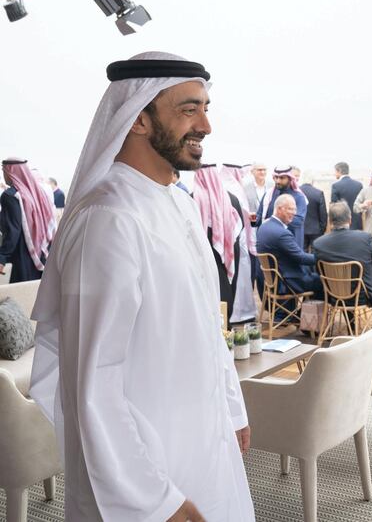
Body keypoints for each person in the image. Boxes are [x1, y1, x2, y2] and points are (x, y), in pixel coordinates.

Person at [27, 52, 255, 521]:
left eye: (206, 108)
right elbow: (93, 384)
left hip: (204, 448)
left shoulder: (179, 204)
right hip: (143, 481)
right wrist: (155, 501)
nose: (206, 126)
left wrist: (232, 410)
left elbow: (205, 327)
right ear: (138, 119)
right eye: (189, 109)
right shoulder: (108, 219)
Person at [313, 202, 372, 319]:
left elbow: (319, 271)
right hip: (363, 294)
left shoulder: (319, 243)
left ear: (330, 221)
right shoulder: (364, 238)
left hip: (334, 295)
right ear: (350, 219)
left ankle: (351, 324)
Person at [194, 164, 247, 323]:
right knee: (225, 295)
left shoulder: (191, 199)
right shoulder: (232, 199)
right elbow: (241, 226)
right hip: (229, 252)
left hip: (203, 255)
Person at [0, 158, 56, 283]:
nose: (3, 175)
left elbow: (13, 230)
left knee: (18, 297)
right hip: (41, 252)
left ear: (11, 172)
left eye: (4, 171)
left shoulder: (10, 195)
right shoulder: (38, 192)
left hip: (22, 253)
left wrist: (2, 256)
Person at [256, 193, 322, 297]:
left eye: (294, 209)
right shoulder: (282, 233)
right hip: (286, 283)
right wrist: (323, 258)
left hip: (273, 280)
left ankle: (302, 312)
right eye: (290, 209)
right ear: (279, 209)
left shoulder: (264, 227)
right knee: (324, 282)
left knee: (314, 276)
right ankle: (307, 313)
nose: (294, 213)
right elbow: (301, 258)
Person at [219, 163, 259, 324]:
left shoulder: (231, 186)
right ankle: (238, 312)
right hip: (235, 240)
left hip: (236, 239)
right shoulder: (232, 188)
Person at [256, 165, 307, 248]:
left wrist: (275, 220)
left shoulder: (299, 197)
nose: (278, 181)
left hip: (290, 245)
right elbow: (260, 217)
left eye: (282, 178)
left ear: (290, 179)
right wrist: (253, 219)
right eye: (276, 177)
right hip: (270, 243)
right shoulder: (269, 195)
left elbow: (298, 221)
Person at [299, 170, 328, 252]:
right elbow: (323, 214)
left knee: (302, 252)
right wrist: (322, 229)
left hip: (301, 228)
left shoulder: (297, 192)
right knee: (315, 254)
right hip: (316, 230)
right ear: (312, 180)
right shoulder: (318, 193)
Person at [330, 161, 363, 230]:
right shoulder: (359, 185)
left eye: (335, 171)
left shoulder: (336, 186)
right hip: (357, 224)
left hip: (341, 225)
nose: (334, 174)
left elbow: (334, 207)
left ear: (339, 171)